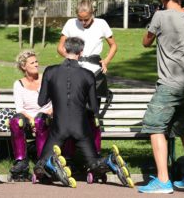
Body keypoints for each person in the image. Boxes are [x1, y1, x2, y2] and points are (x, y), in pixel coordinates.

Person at [33, 37, 134, 188]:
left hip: (58, 127)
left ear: (65, 50)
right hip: (80, 126)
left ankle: (49, 164)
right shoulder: (88, 74)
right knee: (93, 163)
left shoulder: (50, 71)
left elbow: (41, 101)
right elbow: (94, 108)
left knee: (38, 167)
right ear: (81, 52)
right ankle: (109, 161)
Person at [137, 0, 184, 194]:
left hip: (170, 83)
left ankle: (163, 180)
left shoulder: (160, 16)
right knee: (183, 129)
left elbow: (146, 42)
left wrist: (155, 16)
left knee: (154, 126)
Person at [57, 0, 117, 155]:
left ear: (92, 14)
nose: (83, 22)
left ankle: (93, 152)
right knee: (72, 112)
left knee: (91, 114)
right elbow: (60, 47)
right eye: (80, 19)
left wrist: (106, 61)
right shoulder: (70, 24)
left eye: (86, 19)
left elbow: (113, 46)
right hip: (74, 72)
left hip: (94, 74)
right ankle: (71, 153)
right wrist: (70, 57)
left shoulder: (102, 24)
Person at [9, 50, 52, 180]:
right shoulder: (18, 84)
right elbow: (20, 109)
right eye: (32, 63)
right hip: (28, 118)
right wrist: (31, 119)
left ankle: (42, 163)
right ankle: (21, 163)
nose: (36, 64)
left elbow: (56, 102)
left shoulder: (46, 79)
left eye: (36, 62)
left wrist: (45, 114)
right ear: (24, 66)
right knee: (15, 122)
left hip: (46, 117)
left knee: (40, 120)